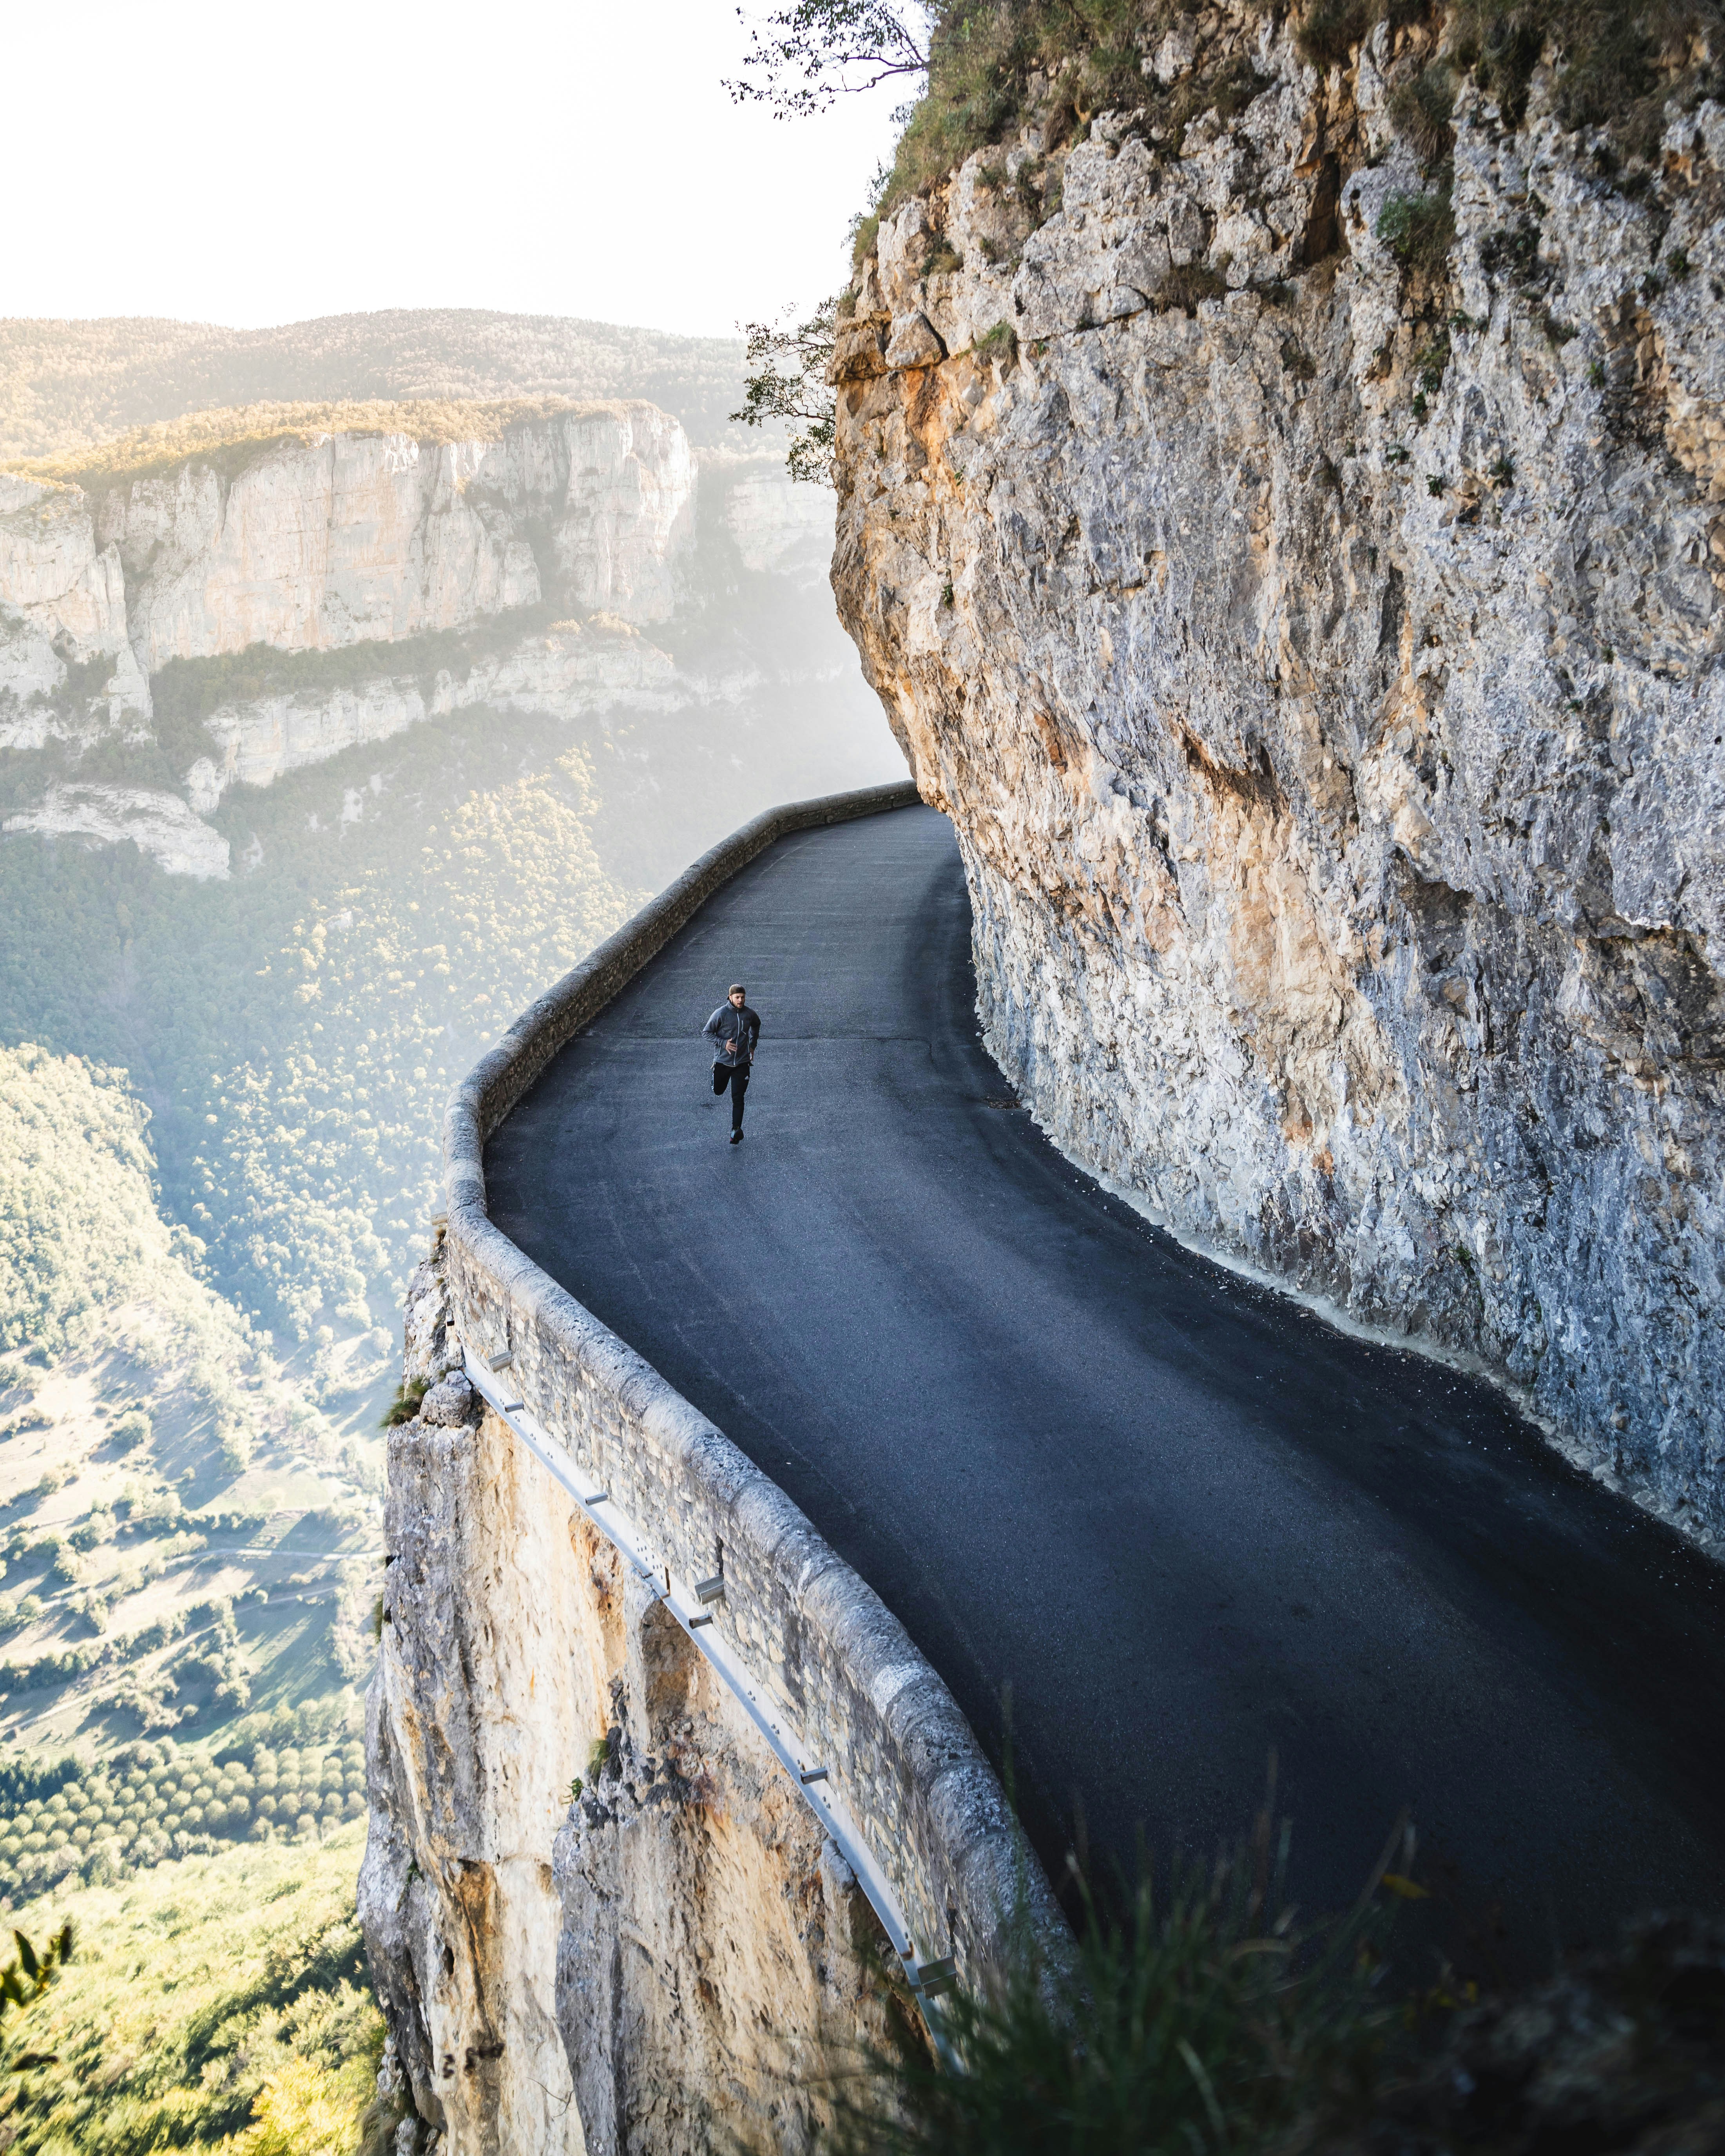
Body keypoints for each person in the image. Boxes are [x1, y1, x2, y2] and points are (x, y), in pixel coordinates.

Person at [703, 983, 761, 1143]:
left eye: (743, 997)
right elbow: (706, 1033)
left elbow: (757, 1025)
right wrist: (724, 1044)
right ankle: (716, 1081)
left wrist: (752, 1045)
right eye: (737, 998)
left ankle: (736, 1131)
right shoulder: (721, 1014)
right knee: (718, 1091)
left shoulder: (749, 1014)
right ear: (730, 997)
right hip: (723, 1062)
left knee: (738, 1097)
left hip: (742, 1062)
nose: (740, 1000)